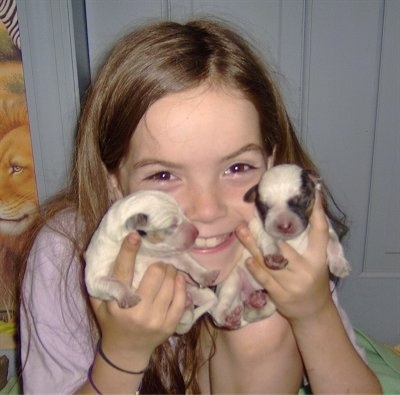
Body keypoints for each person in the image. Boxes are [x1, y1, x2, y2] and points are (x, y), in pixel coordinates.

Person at [19, 19, 381, 394]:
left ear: (271, 167)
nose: (207, 211)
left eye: (238, 168)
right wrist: (123, 354)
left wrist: (313, 311)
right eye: (163, 176)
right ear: (115, 184)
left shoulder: (277, 236)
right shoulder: (66, 254)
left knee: (265, 319)